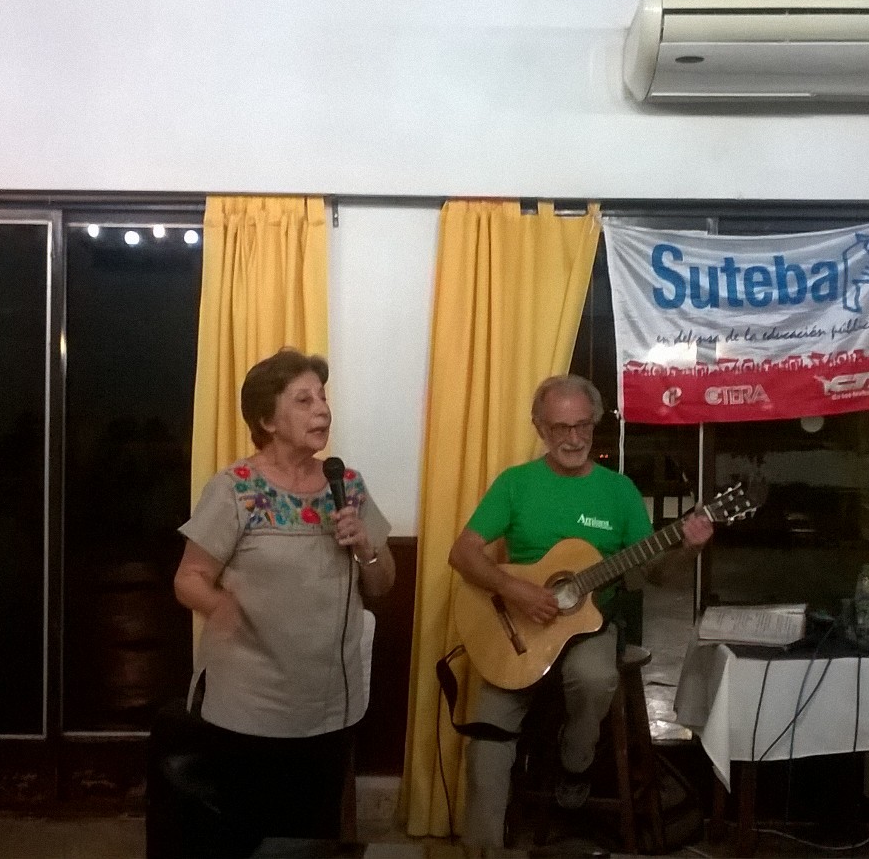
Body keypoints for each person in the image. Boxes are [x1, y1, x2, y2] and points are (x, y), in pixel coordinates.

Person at [449, 374, 713, 849]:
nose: (573, 438)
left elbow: (654, 573)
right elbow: (462, 553)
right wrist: (515, 590)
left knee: (593, 677)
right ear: (539, 428)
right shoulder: (515, 484)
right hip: (516, 630)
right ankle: (482, 850)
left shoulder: (619, 491)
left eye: (583, 426)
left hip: (590, 628)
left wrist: (688, 549)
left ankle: (575, 765)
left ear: (595, 424)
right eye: (560, 428)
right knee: (484, 748)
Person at [172, 348, 395, 854]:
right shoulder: (236, 489)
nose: (322, 409)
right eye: (303, 400)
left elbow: (382, 586)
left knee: (312, 840)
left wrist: (366, 545)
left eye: (323, 397)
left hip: (327, 703)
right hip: (250, 703)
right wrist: (221, 607)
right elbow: (189, 579)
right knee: (246, 839)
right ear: (267, 420)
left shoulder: (347, 485)